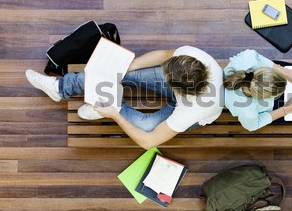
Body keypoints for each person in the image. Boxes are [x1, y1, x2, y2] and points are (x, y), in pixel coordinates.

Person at [26, 46, 224, 149]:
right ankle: (60, 88)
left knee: (146, 127)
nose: (162, 73)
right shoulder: (192, 57)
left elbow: (149, 141)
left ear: (176, 87)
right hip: (187, 88)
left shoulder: (192, 110)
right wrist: (128, 68)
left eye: (166, 75)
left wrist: (116, 115)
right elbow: (164, 54)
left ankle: (112, 107)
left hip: (194, 110)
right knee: (120, 73)